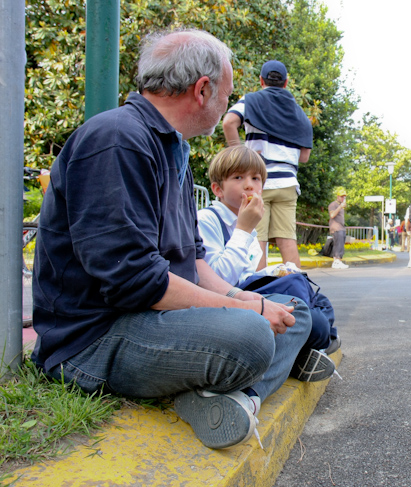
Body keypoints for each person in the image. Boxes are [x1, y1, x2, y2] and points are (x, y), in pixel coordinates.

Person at [31, 30, 311, 450]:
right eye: (227, 94)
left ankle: (236, 401)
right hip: (95, 337)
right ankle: (228, 389)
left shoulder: (172, 151)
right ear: (202, 90)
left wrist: (250, 300)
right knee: (252, 335)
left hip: (152, 318)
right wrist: (247, 308)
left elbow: (194, 263)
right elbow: (135, 281)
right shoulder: (117, 140)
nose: (226, 106)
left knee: (295, 312)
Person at [197, 145, 339, 375]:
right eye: (238, 177)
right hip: (232, 302)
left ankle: (308, 344)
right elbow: (219, 281)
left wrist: (276, 271)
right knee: (317, 321)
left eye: (255, 178)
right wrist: (243, 229)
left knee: (319, 298)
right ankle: (313, 344)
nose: (249, 184)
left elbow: (249, 273)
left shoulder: (248, 225)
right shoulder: (208, 220)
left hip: (252, 292)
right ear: (217, 189)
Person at [222, 60, 313, 271]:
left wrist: (241, 156)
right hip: (288, 184)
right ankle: (298, 292)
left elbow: (228, 122)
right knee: (287, 239)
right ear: (286, 82)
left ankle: (262, 295)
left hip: (258, 181)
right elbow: (304, 156)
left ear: (261, 80)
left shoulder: (252, 100)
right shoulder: (297, 111)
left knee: (257, 240)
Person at [328, 187, 349, 269]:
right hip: (336, 227)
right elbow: (332, 215)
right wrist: (340, 206)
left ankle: (339, 261)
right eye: (341, 196)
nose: (343, 198)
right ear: (337, 196)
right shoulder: (333, 205)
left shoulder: (341, 205)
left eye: (344, 196)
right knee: (338, 244)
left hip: (341, 227)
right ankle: (336, 261)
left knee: (341, 244)